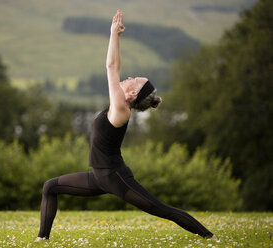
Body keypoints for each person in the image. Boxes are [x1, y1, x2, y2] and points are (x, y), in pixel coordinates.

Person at [35, 10, 218, 242]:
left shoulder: (121, 108)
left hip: (115, 178)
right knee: (50, 186)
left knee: (162, 209)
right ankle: (42, 240)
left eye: (134, 79)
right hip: (99, 176)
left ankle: (209, 237)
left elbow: (112, 67)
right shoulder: (119, 105)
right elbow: (114, 69)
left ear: (133, 93)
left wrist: (114, 35)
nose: (129, 77)